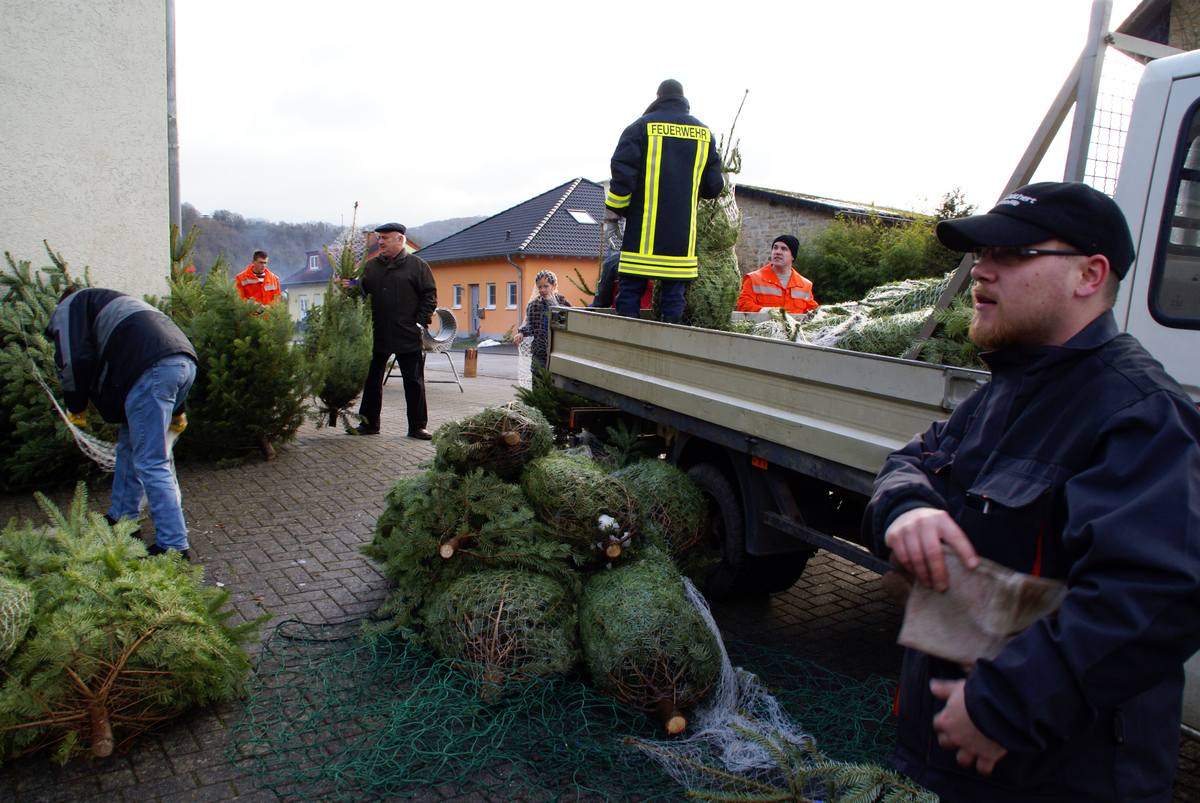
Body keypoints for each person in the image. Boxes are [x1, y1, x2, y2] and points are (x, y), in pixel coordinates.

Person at [863, 182, 1200, 801]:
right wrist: (906, 509)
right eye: (982, 253)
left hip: (1054, 772)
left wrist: (1001, 707)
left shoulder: (1140, 413)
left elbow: (1155, 600)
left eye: (1013, 254)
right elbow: (908, 461)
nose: (981, 272)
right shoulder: (1005, 390)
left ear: (1089, 275)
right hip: (945, 759)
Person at [46, 287, 199, 559]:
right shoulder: (113, 302)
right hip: (184, 361)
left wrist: (76, 405)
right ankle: (122, 519)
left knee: (151, 461)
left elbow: (74, 359)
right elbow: (160, 346)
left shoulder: (70, 305)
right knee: (129, 448)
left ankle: (173, 546)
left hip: (150, 371)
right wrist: (178, 409)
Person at [605, 79, 724, 323]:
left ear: (658, 96)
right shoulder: (704, 134)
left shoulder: (639, 128)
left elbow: (622, 174)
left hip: (642, 238)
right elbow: (713, 187)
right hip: (681, 243)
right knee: (673, 300)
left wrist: (615, 211)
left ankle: (625, 350)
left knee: (630, 294)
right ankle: (669, 350)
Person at [349, 222, 437, 438]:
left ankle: (417, 426)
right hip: (377, 332)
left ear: (400, 239)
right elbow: (361, 293)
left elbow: (429, 296)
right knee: (372, 380)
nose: (380, 242)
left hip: (407, 333)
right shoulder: (371, 267)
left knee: (414, 381)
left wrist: (419, 322)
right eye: (379, 238)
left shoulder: (418, 266)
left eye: (385, 238)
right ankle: (369, 424)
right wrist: (349, 286)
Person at [735, 234, 818, 314]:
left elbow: (814, 312)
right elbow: (743, 305)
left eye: (784, 249)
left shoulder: (805, 285)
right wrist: (768, 313)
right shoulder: (753, 279)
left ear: (793, 256)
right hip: (763, 327)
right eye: (775, 248)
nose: (778, 252)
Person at [514, 270, 571, 373]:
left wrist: (552, 303)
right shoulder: (534, 305)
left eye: (546, 286)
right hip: (539, 350)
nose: (542, 290)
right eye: (539, 287)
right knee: (538, 376)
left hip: (558, 349)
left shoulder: (563, 302)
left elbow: (566, 319)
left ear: (554, 286)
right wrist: (521, 333)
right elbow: (529, 324)